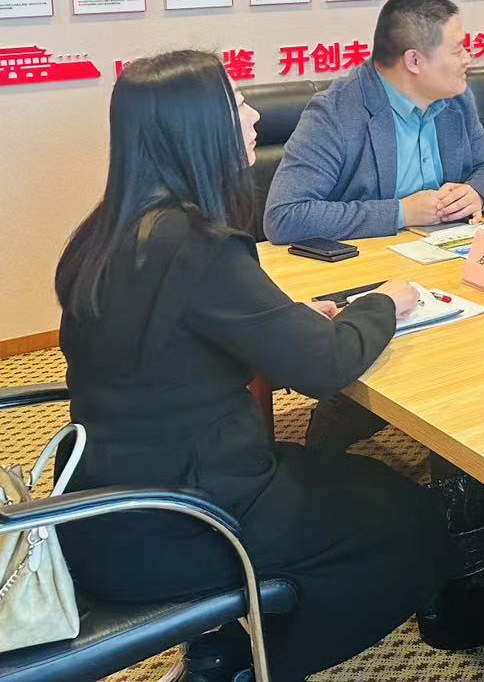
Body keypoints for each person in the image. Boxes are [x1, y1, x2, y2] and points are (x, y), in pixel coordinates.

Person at [55, 51, 447, 682]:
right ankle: (255, 666)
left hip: (100, 504)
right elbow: (324, 367)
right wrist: (383, 303)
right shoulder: (198, 247)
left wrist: (285, 322)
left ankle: (225, 651)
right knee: (407, 518)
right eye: (237, 103)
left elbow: (176, 343)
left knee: (354, 481)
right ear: (197, 127)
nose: (254, 115)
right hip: (180, 518)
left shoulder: (102, 234)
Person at [264, 0, 484, 244]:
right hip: (369, 259)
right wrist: (402, 212)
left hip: (446, 250)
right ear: (414, 60)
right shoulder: (335, 112)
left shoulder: (455, 98)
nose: (468, 58)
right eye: (457, 50)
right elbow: (284, 216)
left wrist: (476, 192)